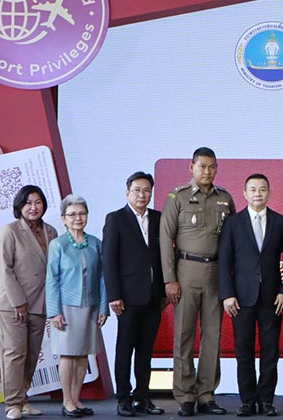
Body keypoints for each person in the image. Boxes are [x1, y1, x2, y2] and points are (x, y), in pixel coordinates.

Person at [160, 147, 236, 416]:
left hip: (216, 272)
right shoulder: (177, 197)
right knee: (183, 335)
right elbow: (165, 239)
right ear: (191, 167)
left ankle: (206, 394)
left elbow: (233, 240)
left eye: (212, 166)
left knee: (212, 336)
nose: (207, 171)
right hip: (186, 270)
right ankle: (185, 396)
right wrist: (169, 279)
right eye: (202, 166)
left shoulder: (225, 198)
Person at [218, 174, 283, 417]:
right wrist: (227, 294)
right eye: (253, 189)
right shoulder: (233, 223)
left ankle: (267, 401)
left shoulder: (281, 222)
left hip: (272, 298)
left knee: (271, 352)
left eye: (262, 189)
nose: (258, 193)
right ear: (244, 193)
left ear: (268, 192)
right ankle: (247, 401)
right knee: (243, 352)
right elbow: (224, 261)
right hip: (240, 298)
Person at [102, 172, 166, 417]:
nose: (142, 195)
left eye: (147, 190)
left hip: (153, 296)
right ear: (127, 192)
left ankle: (143, 397)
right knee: (125, 348)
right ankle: (123, 397)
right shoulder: (116, 219)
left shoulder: (159, 218)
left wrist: (163, 290)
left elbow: (163, 257)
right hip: (127, 297)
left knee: (146, 350)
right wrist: (114, 295)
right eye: (137, 190)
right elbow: (109, 259)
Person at [0, 185, 58, 420]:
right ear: (20, 206)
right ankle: (12, 404)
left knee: (32, 355)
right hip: (14, 304)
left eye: (38, 202)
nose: (33, 207)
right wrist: (18, 303)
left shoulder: (50, 231)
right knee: (15, 354)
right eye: (28, 202)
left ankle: (23, 400)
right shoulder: (10, 231)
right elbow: (5, 269)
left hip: (40, 303)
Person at [45, 194, 109, 418]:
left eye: (82, 213)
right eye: (72, 214)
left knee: (83, 355)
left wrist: (103, 308)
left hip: (90, 306)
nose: (77, 218)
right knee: (68, 355)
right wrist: (54, 312)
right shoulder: (58, 245)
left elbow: (103, 278)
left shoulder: (95, 243)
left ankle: (75, 399)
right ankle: (67, 402)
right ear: (63, 218)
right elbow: (51, 280)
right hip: (66, 307)